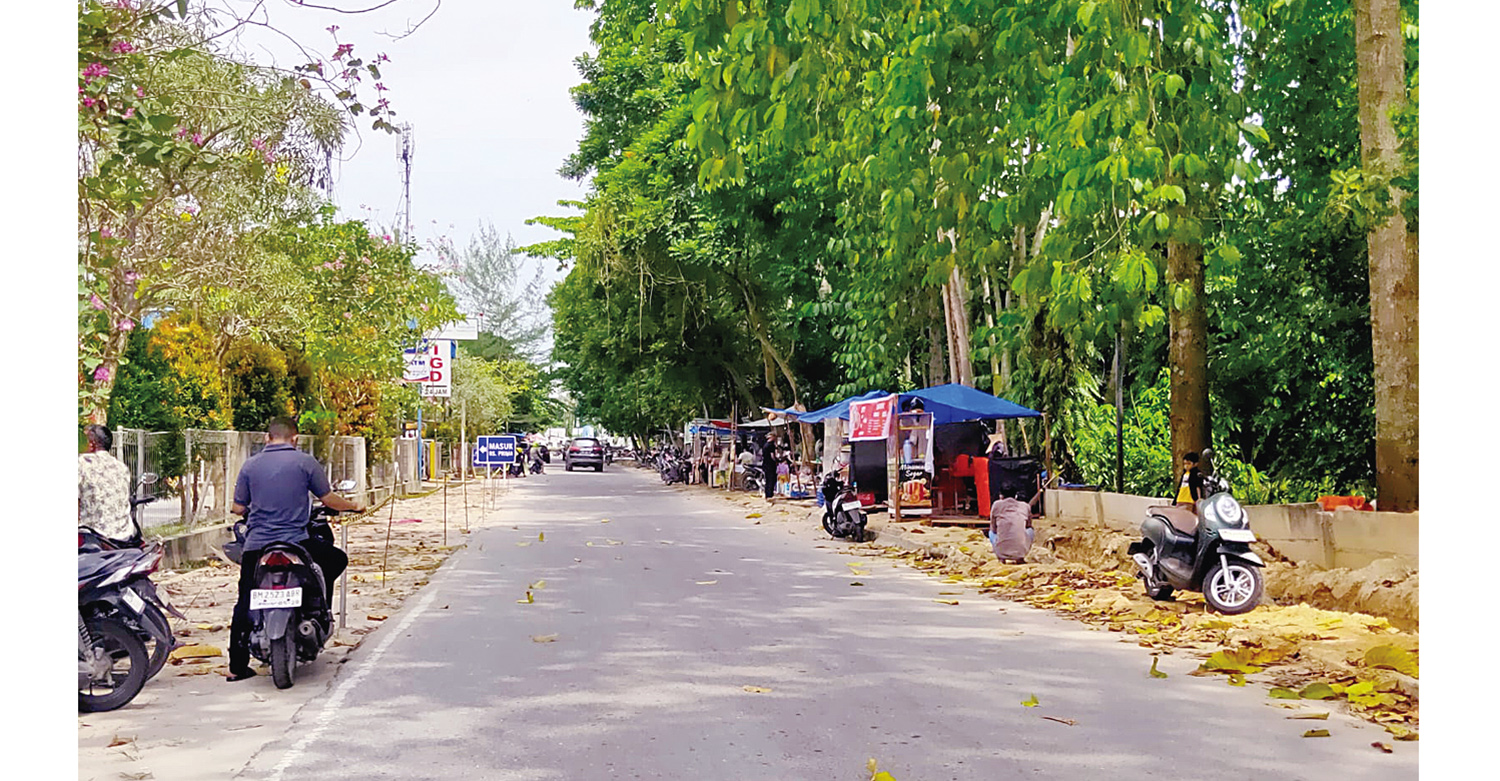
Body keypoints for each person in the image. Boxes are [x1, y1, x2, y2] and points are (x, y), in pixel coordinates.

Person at [226, 417, 364, 682]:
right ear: (295, 438)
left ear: (267, 438)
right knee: (335, 560)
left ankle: (236, 666)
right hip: (297, 542)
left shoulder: (250, 465)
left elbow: (238, 509)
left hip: (258, 545)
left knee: (244, 599)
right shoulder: (305, 463)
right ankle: (320, 612)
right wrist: (355, 506)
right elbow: (328, 499)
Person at [78, 424, 137, 544]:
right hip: (125, 537)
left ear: (91, 443)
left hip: (94, 538)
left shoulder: (81, 464)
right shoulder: (122, 467)